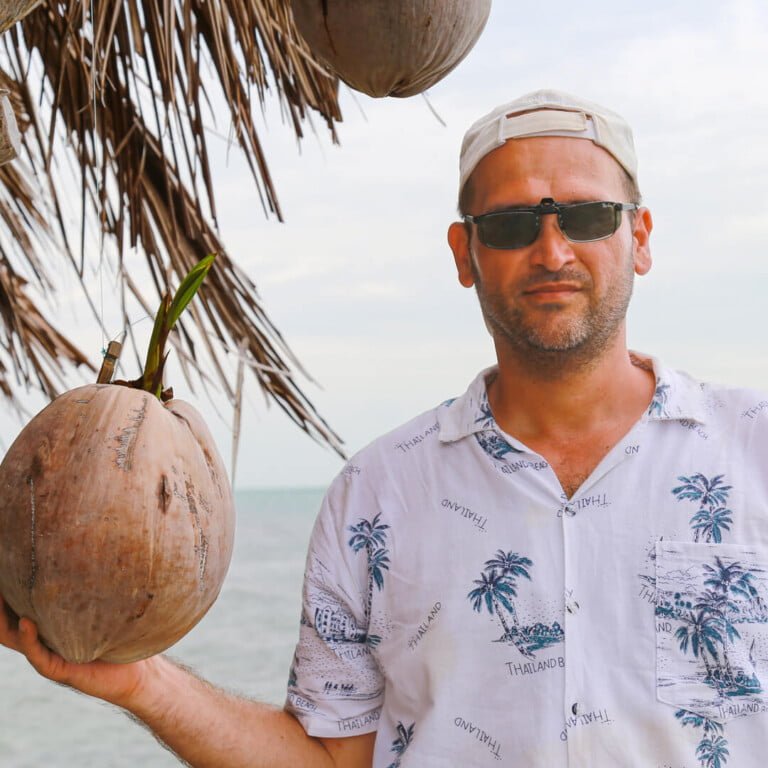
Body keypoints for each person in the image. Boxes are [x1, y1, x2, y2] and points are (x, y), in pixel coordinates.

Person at [2, 89, 768, 767]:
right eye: (507, 225)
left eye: (589, 216)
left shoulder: (753, 449)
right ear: (463, 253)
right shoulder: (376, 494)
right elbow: (334, 763)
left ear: (639, 237)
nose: (552, 249)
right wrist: (139, 681)